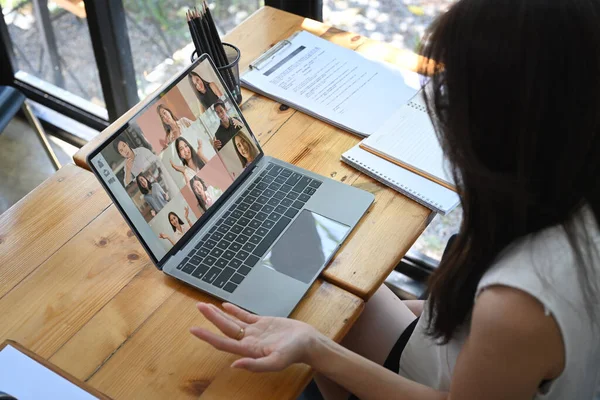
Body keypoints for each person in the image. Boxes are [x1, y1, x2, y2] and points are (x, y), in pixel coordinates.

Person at [188, 1, 600, 399]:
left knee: (307, 303)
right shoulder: (567, 197)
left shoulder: (517, 308)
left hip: (433, 382)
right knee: (319, 283)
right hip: (447, 359)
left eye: (453, 94)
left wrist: (318, 349)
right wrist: (433, 309)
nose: (442, 108)